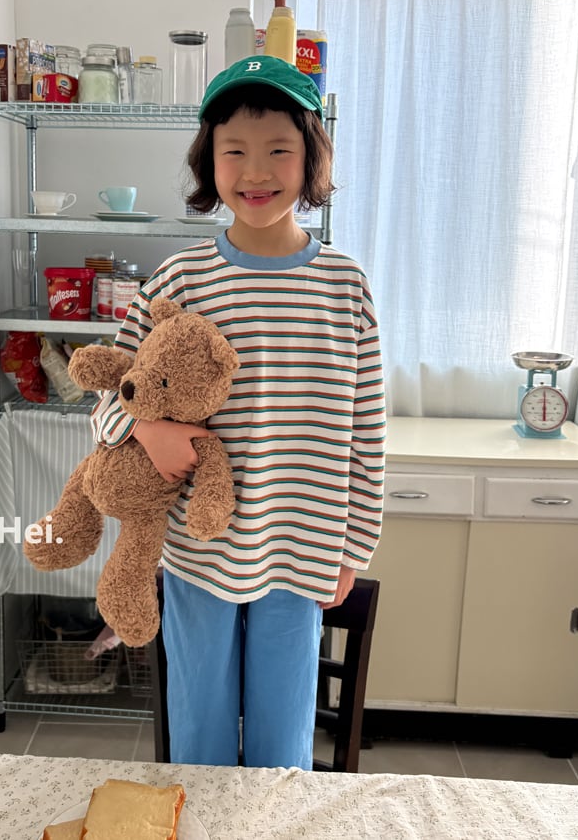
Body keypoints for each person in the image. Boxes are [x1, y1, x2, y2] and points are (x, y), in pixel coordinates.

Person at [91, 55, 385, 770]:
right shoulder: (180, 279)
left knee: (284, 753)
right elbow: (107, 399)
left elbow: (368, 431)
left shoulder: (345, 285)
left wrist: (355, 549)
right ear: (209, 162)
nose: (257, 171)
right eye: (235, 151)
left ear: (311, 159)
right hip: (198, 552)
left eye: (279, 149)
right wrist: (148, 428)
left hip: (302, 549)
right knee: (200, 737)